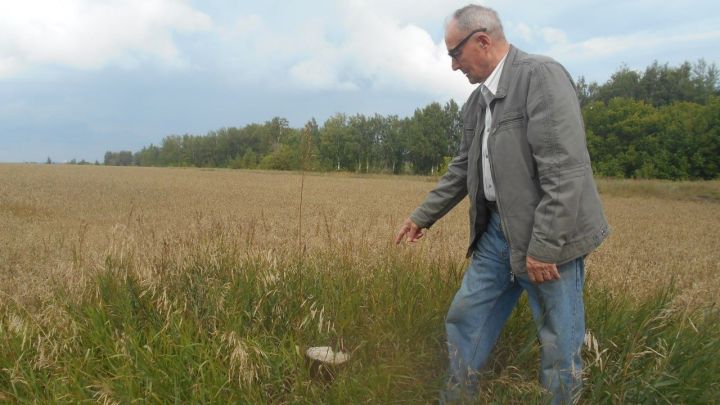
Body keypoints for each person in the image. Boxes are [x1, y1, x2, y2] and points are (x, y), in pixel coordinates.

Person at [394, 4, 609, 404]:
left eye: (455, 54)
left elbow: (565, 171)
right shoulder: (478, 102)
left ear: (483, 41)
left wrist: (544, 247)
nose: (454, 66)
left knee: (559, 343)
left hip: (547, 237)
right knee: (465, 319)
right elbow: (463, 169)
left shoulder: (540, 77)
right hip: (496, 234)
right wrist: (422, 216)